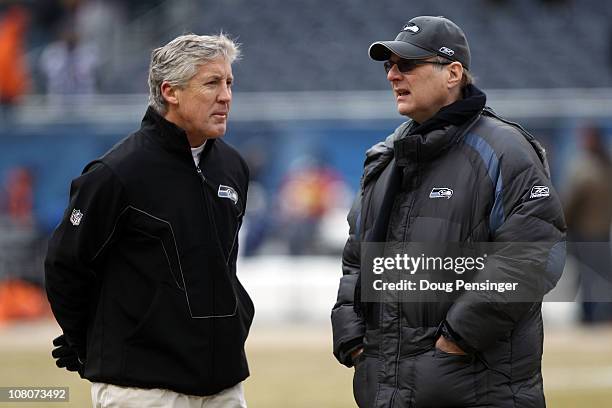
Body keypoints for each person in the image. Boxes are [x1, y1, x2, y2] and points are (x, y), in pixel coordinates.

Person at [331, 16, 566, 407]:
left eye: (406, 64)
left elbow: (533, 255)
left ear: (453, 73)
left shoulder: (505, 149)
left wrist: (454, 342)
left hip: (477, 391)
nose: (392, 75)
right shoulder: (385, 158)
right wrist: (353, 338)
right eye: (389, 65)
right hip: (387, 391)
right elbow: (357, 260)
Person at [45, 33, 253, 408]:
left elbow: (225, 264)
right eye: (212, 83)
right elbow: (65, 267)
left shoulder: (234, 167)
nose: (226, 96)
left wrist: (236, 321)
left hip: (224, 382)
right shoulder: (116, 173)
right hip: (140, 387)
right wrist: (86, 343)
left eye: (229, 83)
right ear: (171, 92)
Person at [564, 125, 612, 323]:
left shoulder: (586, 168)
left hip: (584, 231)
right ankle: (598, 314)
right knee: (598, 276)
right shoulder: (606, 166)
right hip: (601, 231)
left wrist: (561, 223)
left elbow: (572, 202)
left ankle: (589, 316)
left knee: (588, 277)